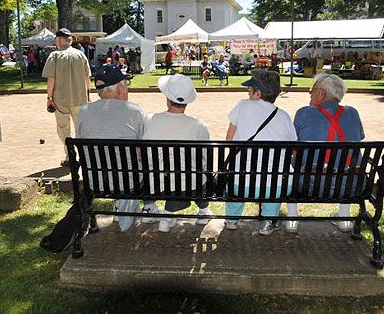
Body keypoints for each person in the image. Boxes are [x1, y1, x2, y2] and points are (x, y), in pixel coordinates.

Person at [224, 70, 297, 234]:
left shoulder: (243, 105)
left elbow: (229, 140)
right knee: (276, 173)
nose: (248, 93)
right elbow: (293, 151)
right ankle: (268, 221)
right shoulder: (284, 116)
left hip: (240, 186)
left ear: (258, 93)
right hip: (275, 187)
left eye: (250, 90)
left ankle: (232, 220)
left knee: (238, 170)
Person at [292, 74, 365, 233]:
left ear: (322, 94)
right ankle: (343, 215)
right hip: (351, 186)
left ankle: (292, 217)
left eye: (312, 90)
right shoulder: (352, 113)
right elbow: (359, 138)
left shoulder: (304, 113)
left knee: (292, 160)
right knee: (347, 163)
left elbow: (293, 146)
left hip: (310, 185)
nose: (310, 93)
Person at [76, 64, 144, 231]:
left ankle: (122, 207)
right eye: (125, 85)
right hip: (128, 182)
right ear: (120, 88)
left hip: (95, 181)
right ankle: (126, 208)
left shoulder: (83, 111)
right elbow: (141, 152)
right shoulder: (134, 111)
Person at [142, 74, 212, 232]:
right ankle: (201, 211)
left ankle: (159, 211)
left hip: (156, 183)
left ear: (167, 98)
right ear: (187, 102)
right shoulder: (199, 126)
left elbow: (143, 154)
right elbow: (206, 161)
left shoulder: (149, 119)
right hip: (190, 184)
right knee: (199, 175)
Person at [43, 28, 92, 168]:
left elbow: (51, 79)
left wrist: (49, 97)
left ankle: (70, 156)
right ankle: (84, 156)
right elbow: (87, 78)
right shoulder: (81, 55)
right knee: (81, 129)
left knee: (63, 129)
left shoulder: (54, 56)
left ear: (58, 40)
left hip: (61, 100)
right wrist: (88, 96)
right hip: (80, 98)